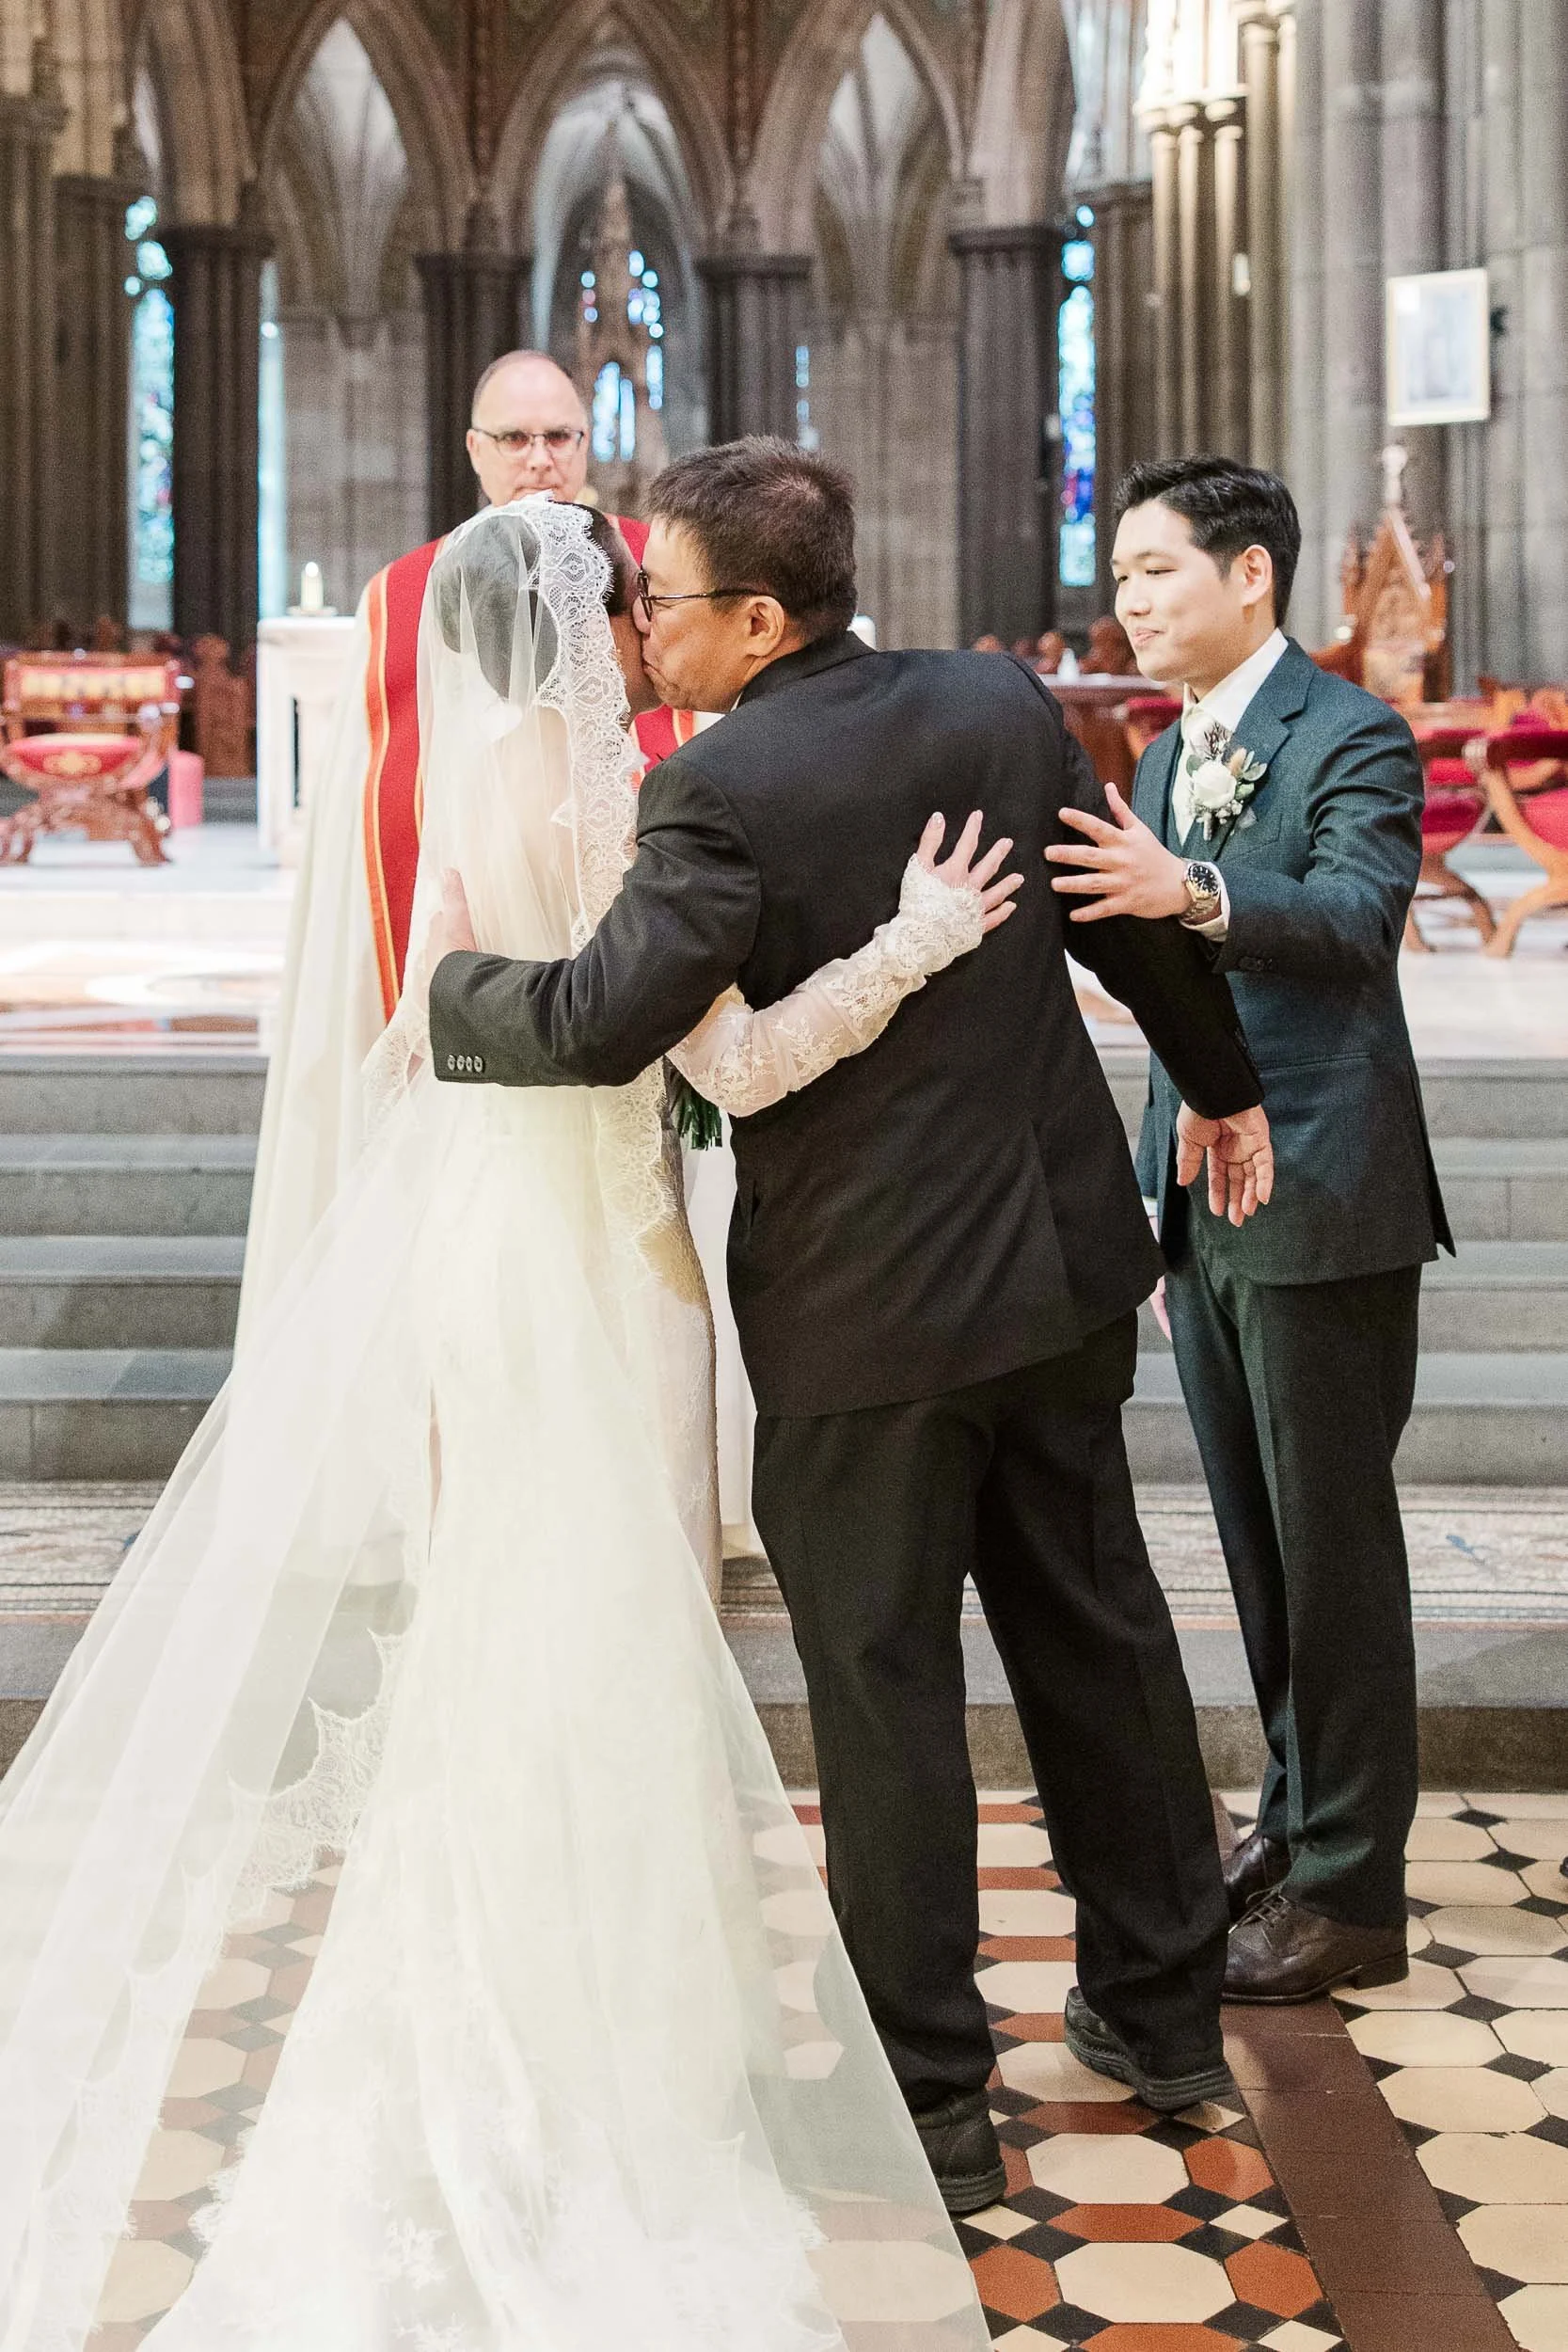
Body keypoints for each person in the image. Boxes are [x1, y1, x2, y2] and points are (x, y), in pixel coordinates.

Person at [0, 498, 1021, 2349]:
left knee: (502, 1624)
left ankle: (496, 1996)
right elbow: (733, 1058)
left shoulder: (456, 788)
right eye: (625, 602)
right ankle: (616, 2035)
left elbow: (422, 1032)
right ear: (582, 625)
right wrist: (912, 944)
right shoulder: (622, 802)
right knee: (618, 1638)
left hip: (483, 1257)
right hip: (610, 1270)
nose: (643, 625)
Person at [426, 437, 1278, 2210]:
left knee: (883, 1697)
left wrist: (437, 990)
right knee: (1100, 1639)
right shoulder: (996, 704)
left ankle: (933, 2096)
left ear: (756, 619)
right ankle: (1163, 2015)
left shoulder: (718, 786)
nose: (640, 632)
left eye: (661, 602)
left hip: (863, 1319)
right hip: (1054, 1278)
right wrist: (1220, 1084)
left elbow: (599, 1020)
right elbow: (1122, 927)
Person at [1046, 454, 1452, 2002]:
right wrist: (1159, 1177)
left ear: (1249, 576)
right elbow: (1166, 995)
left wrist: (1194, 888)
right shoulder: (1163, 757)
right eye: (1122, 575)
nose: (1129, 602)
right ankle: (1292, 1821)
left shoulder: (1349, 732)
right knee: (1257, 1540)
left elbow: (1352, 923)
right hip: (1202, 1199)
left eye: (1154, 570)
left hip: (1321, 1190)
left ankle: (1353, 1888)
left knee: (1330, 1543)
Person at [239, 350, 693, 1343]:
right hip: (525, 1050)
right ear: (474, 450)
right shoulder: (404, 598)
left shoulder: (661, 575)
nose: (539, 459)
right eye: (514, 438)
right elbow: (371, 829)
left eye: (559, 436)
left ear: (588, 442)